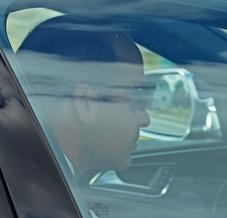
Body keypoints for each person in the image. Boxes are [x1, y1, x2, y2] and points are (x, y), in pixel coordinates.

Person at [16, 15, 151, 178]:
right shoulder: (34, 195)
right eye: (137, 99)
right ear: (85, 103)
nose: (145, 120)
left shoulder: (17, 176)